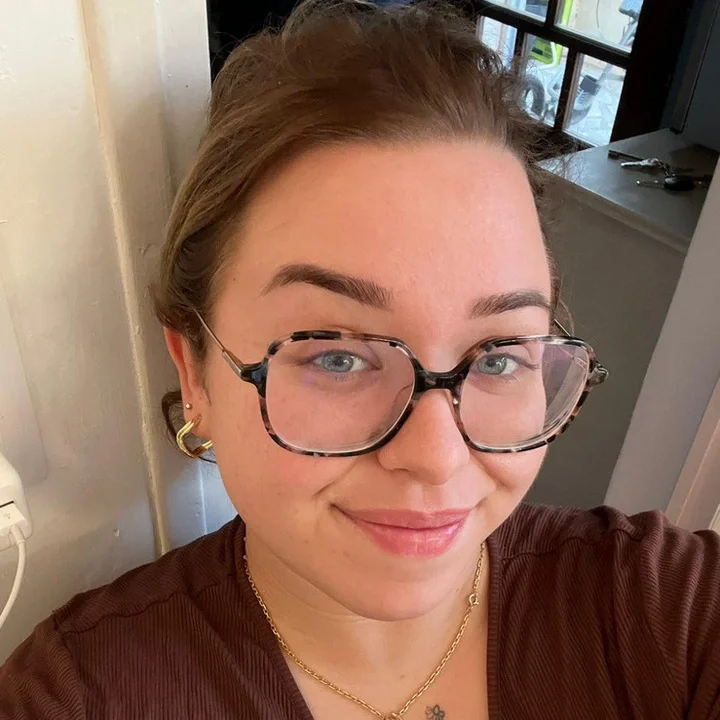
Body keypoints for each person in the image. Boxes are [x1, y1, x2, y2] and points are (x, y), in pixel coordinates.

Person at [2, 2, 719, 719]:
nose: (436, 458)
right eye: (338, 357)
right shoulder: (79, 697)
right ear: (194, 374)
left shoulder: (667, 613)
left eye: (498, 358)